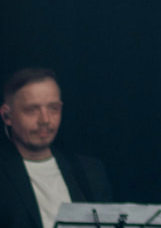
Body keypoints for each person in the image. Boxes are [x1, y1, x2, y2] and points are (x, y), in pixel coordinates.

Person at [0, 69, 112, 228]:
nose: (45, 120)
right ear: (7, 116)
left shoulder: (89, 170)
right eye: (32, 109)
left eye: (53, 108)